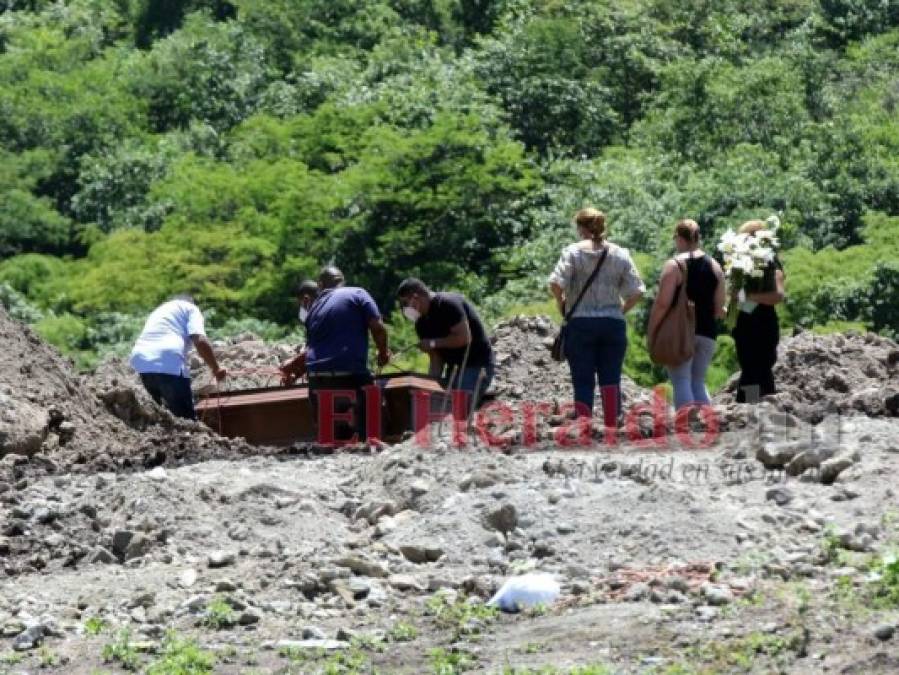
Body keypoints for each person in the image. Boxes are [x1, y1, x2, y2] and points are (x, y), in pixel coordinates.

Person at [548, 208, 645, 429]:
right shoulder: (620, 253)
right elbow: (637, 290)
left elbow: (555, 283)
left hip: (580, 322)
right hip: (612, 323)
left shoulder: (572, 253)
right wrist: (621, 309)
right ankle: (613, 425)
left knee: (583, 379)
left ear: (581, 228)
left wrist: (561, 302)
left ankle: (584, 425)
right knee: (611, 377)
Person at [279, 266, 390, 441]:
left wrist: (295, 371)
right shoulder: (358, 294)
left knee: (330, 440)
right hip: (350, 378)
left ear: (321, 285)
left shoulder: (314, 310)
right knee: (375, 412)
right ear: (342, 280)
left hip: (317, 381)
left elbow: (313, 351)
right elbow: (378, 328)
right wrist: (383, 353)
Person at [647, 219, 726, 410]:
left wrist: (653, 330)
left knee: (681, 380)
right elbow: (719, 308)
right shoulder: (715, 267)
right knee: (698, 381)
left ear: (680, 239)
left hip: (680, 333)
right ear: (698, 238)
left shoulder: (674, 266)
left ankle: (685, 429)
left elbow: (663, 304)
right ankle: (707, 426)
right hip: (707, 333)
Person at [396, 278, 495, 413]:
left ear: (415, 297)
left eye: (405, 303)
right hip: (454, 370)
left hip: (477, 364)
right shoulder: (421, 324)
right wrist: (430, 386)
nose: (404, 309)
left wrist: (432, 343)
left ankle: (480, 397)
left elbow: (464, 338)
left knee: (457, 409)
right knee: (433, 406)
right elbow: (436, 359)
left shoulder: (448, 304)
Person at [129, 294, 226, 420]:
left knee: (160, 420)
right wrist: (216, 368)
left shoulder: (159, 311)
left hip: (141, 361)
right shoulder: (191, 309)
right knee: (186, 421)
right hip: (167, 359)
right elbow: (200, 340)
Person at [732, 220, 786, 402]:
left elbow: (778, 295)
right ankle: (751, 409)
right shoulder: (741, 264)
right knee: (749, 368)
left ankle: (758, 407)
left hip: (763, 324)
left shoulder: (771, 264)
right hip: (745, 323)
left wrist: (751, 296)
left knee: (760, 369)